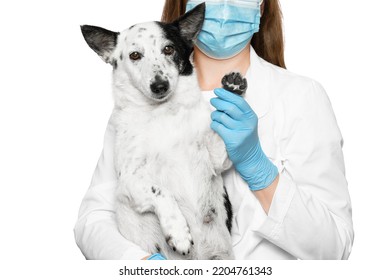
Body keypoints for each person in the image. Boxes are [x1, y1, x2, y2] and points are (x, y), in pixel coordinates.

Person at [74, 0, 354, 260]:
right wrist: (140, 264)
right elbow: (93, 219)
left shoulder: (302, 96)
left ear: (261, 7)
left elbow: (334, 246)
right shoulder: (133, 107)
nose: (223, 5)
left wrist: (259, 169)